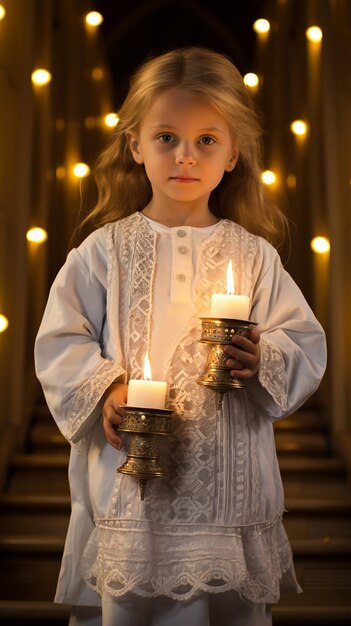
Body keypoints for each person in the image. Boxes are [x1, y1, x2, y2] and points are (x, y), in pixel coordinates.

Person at [35, 47, 327, 626]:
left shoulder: (255, 256)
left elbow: (304, 343)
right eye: (166, 137)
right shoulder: (103, 253)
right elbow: (60, 340)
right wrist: (109, 390)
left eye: (206, 140)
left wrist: (261, 357)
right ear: (135, 145)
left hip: (228, 489)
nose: (185, 156)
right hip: (134, 488)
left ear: (234, 152)